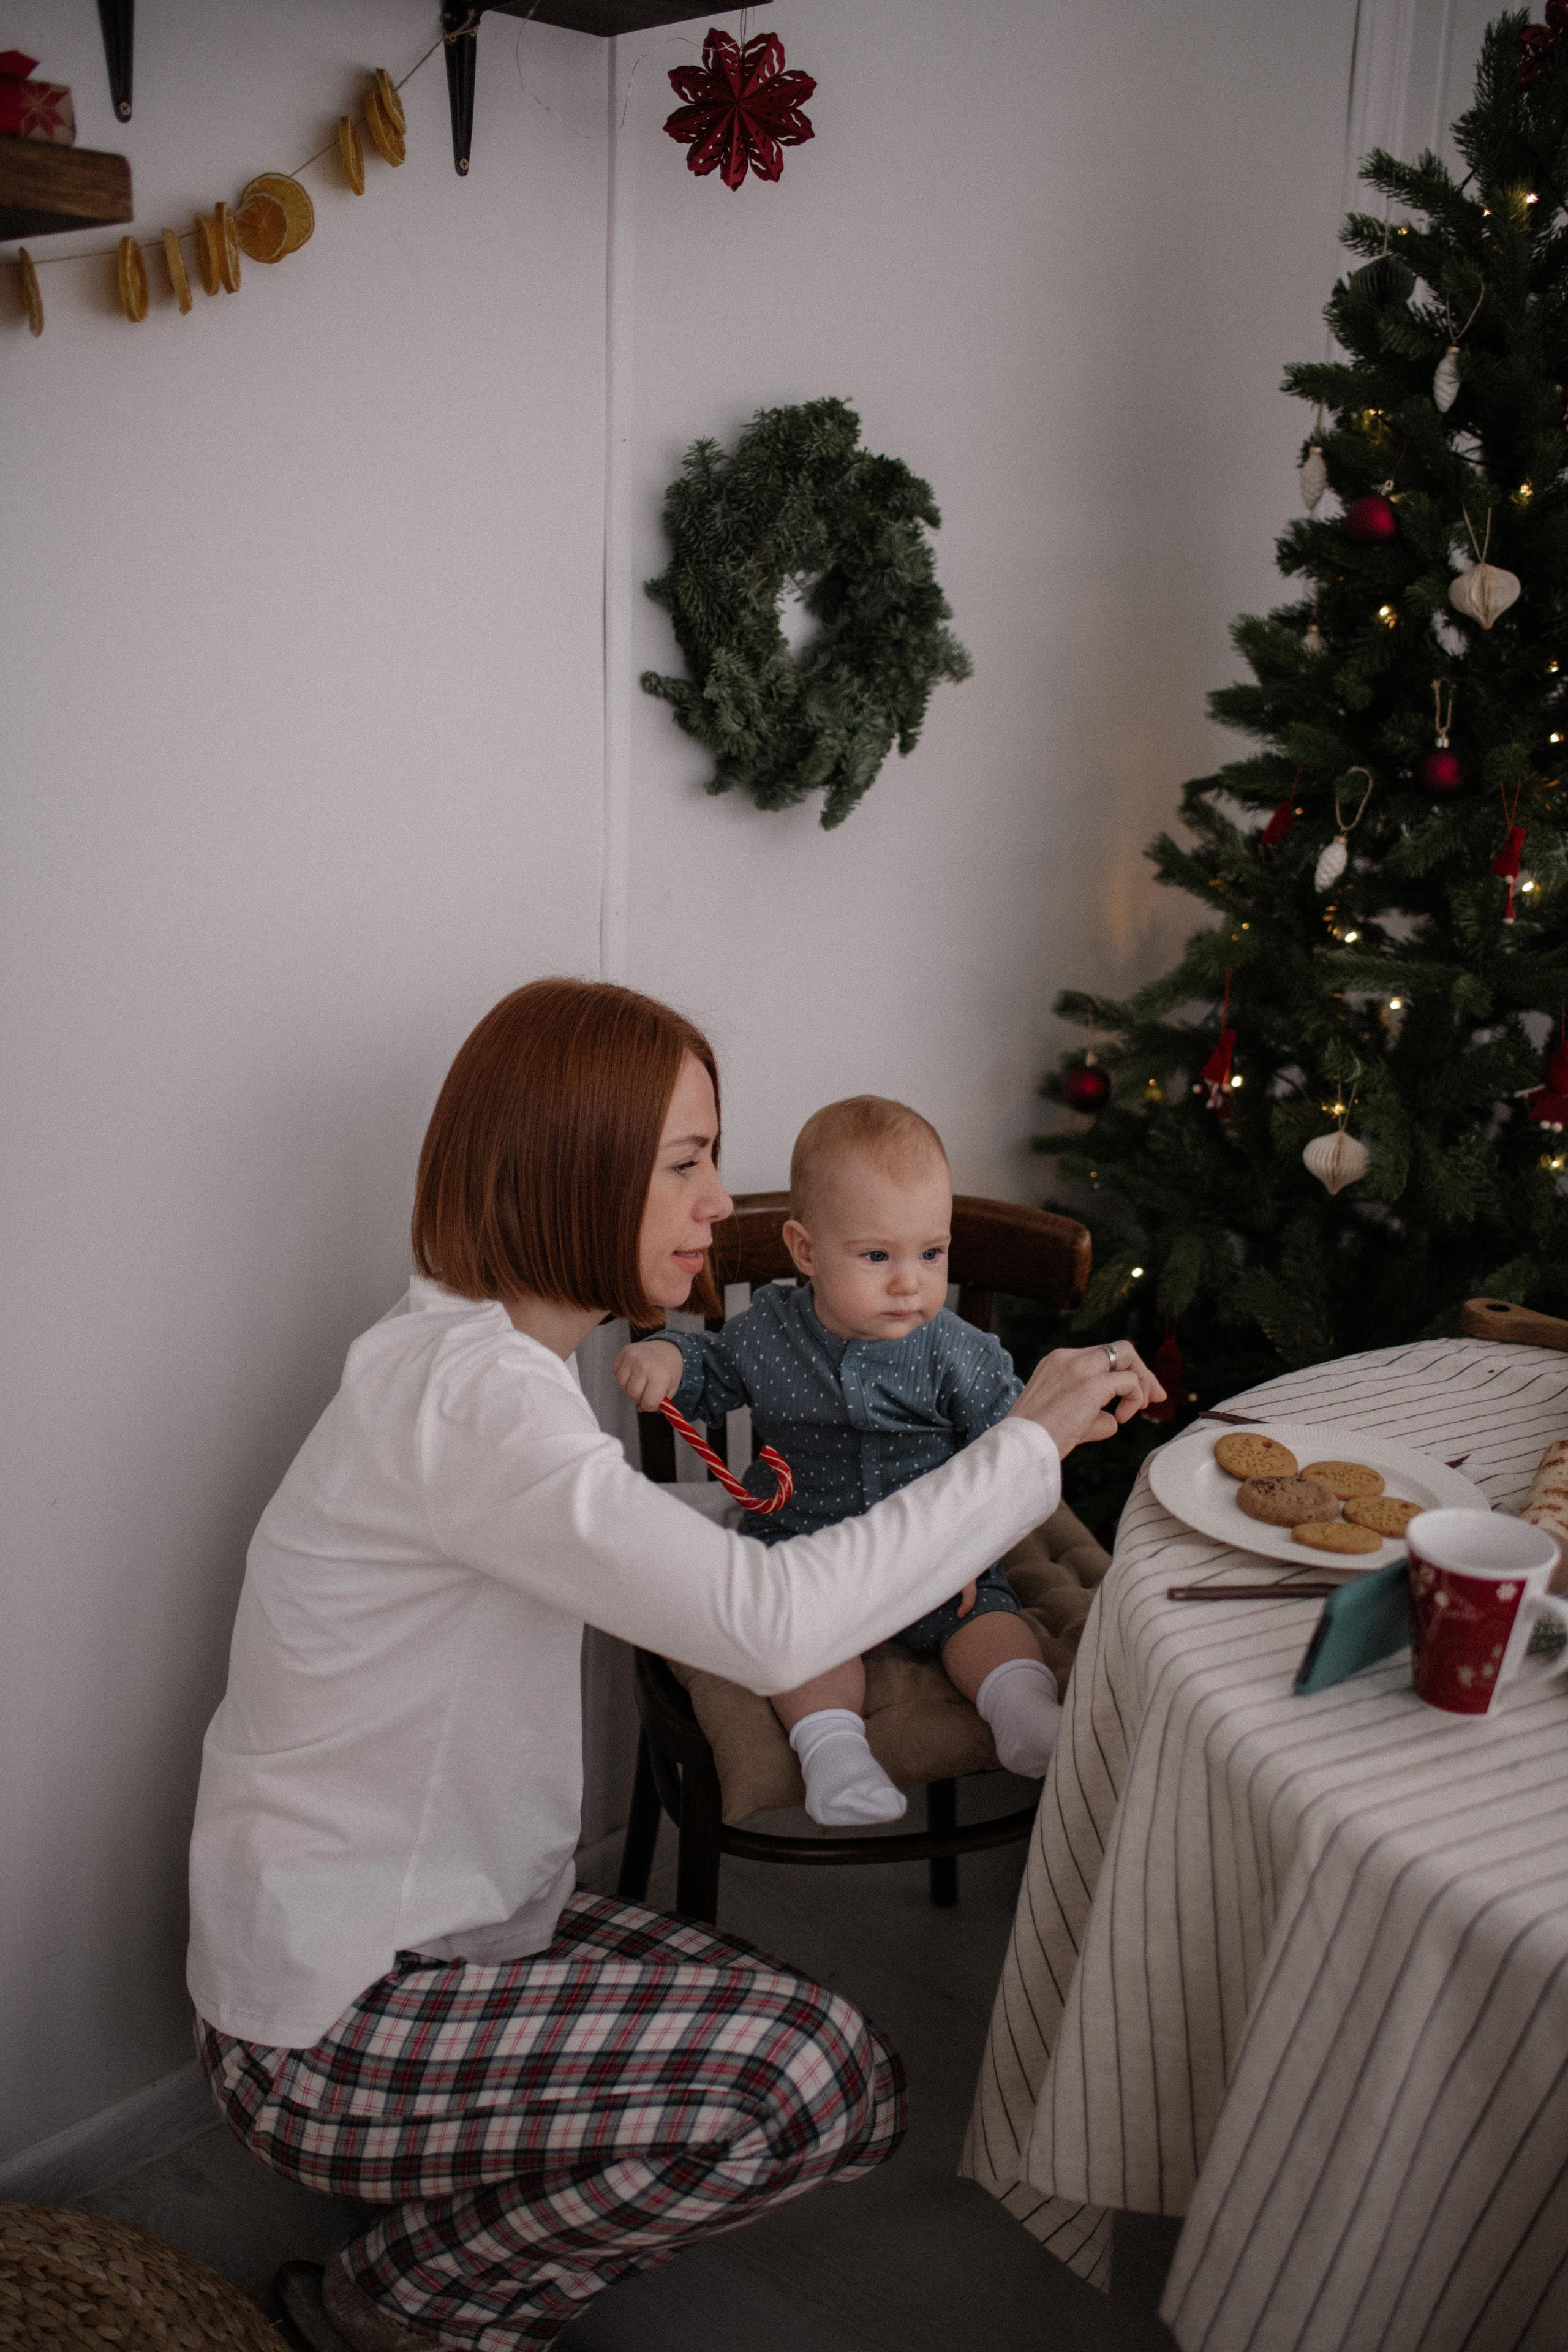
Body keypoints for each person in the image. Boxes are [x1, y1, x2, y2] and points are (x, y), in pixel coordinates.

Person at [185, 978, 1161, 2352]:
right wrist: (1028, 1441)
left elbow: (647, 1548)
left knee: (836, 2072)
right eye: (687, 1163)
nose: (720, 1206)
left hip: (435, 1934)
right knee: (816, 2087)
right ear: (573, 1167)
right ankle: (396, 2303)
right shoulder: (477, 1404)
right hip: (328, 2020)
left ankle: (439, 2253)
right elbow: (771, 1626)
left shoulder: (468, 1362)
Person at [614, 1095, 1061, 1829]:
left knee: (987, 1624)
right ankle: (833, 1750)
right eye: (877, 1255)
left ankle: (1025, 1711)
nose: (909, 1282)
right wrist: (666, 1356)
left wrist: (971, 1549)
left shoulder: (960, 1355)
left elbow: (1009, 1459)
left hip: (936, 1560)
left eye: (931, 1253)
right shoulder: (766, 1334)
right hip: (807, 1553)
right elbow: (711, 1369)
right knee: (801, 1645)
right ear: (804, 1251)